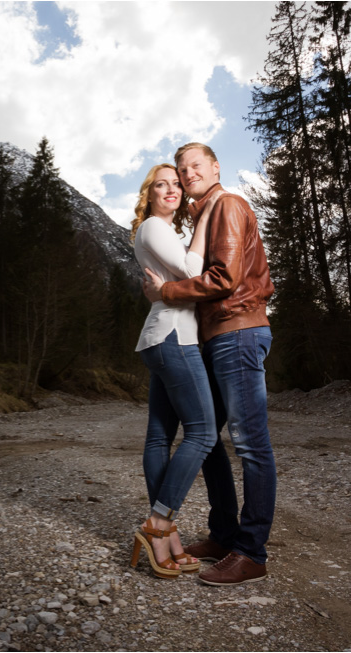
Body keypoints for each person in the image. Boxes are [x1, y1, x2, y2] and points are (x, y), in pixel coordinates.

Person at [143, 142, 276, 586]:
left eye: (195, 166)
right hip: (218, 334)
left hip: (237, 330)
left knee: (250, 445)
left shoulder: (228, 204)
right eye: (182, 169)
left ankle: (250, 551)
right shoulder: (205, 214)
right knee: (208, 438)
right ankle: (223, 534)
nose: (187, 174)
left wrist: (167, 293)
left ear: (215, 167)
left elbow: (225, 278)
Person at [128, 163, 219, 579]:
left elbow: (179, 275)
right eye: (161, 185)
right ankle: (158, 523)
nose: (170, 190)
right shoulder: (154, 227)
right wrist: (202, 222)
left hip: (161, 337)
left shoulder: (161, 231)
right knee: (202, 431)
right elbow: (193, 273)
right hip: (173, 338)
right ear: (149, 195)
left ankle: (166, 536)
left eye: (175, 185)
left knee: (160, 437)